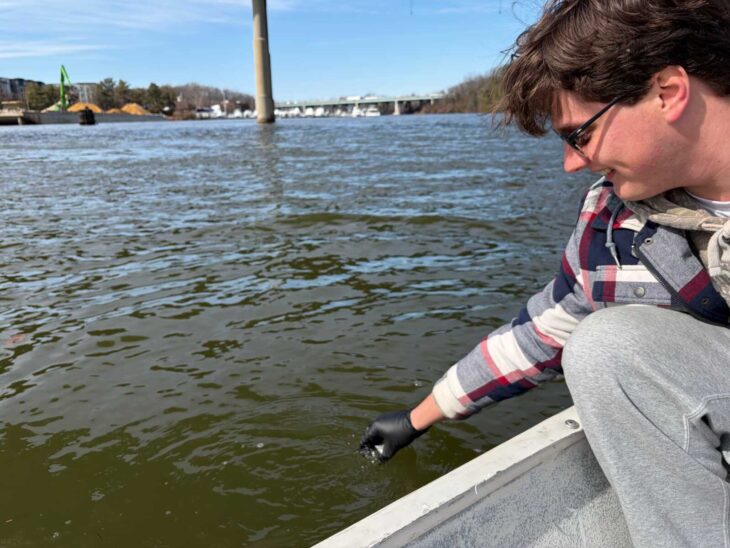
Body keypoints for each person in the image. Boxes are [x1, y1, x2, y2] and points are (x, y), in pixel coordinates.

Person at [359, 0, 730, 546]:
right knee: (604, 346)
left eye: (579, 134)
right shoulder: (611, 220)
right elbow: (544, 333)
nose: (571, 163)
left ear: (667, 92)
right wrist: (418, 417)